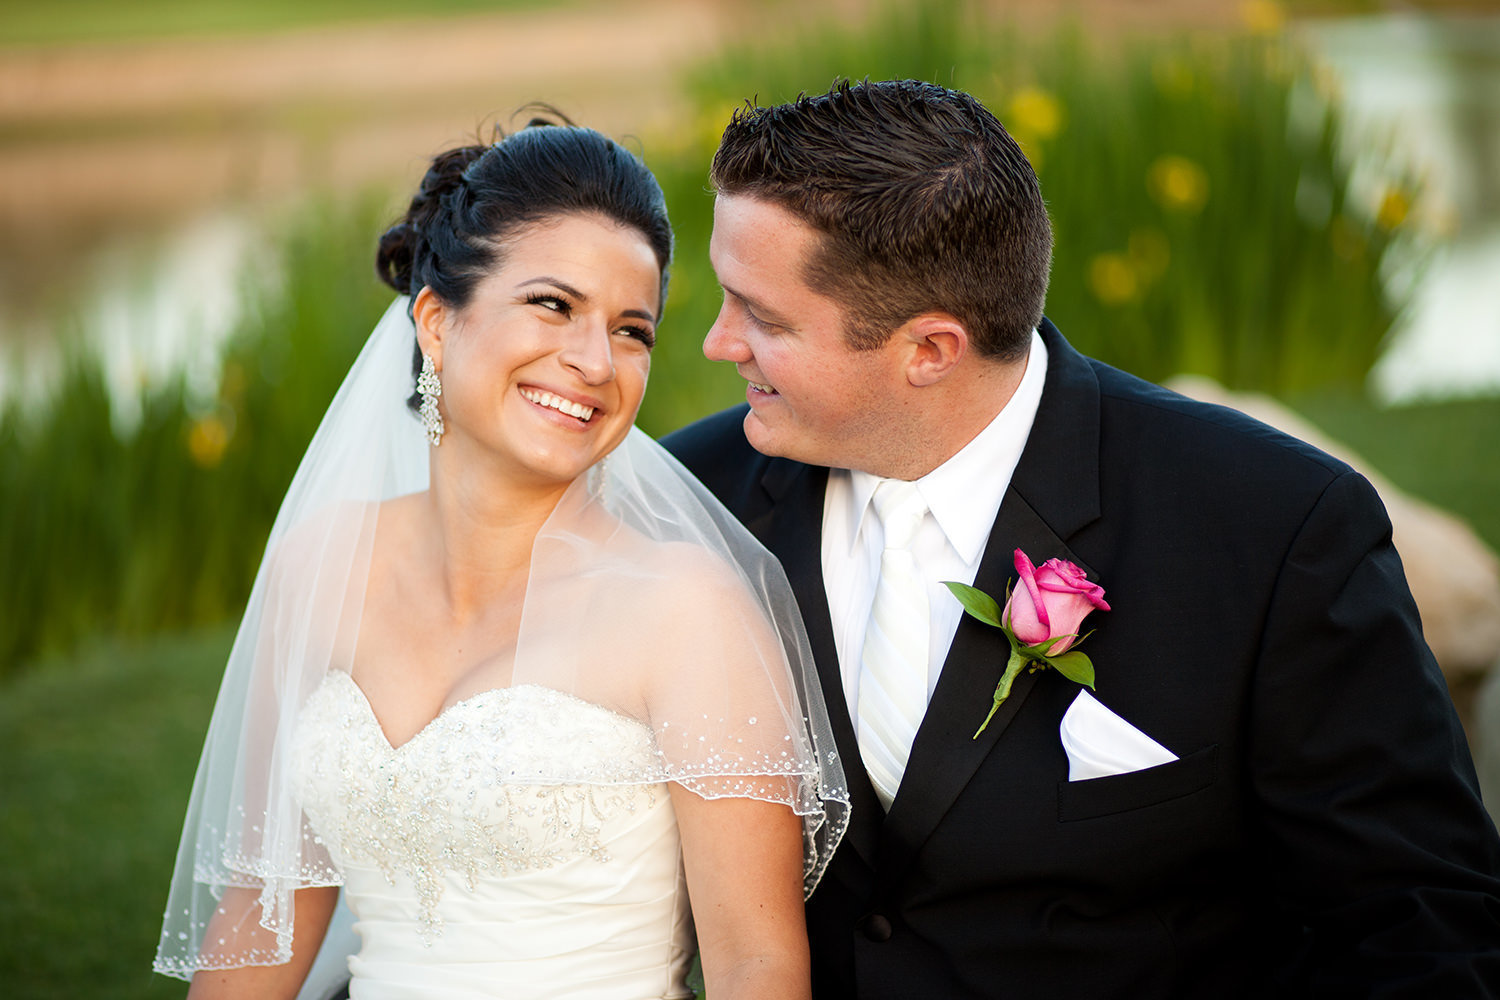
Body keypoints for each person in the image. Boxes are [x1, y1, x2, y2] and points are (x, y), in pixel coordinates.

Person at [664, 79, 1500, 998]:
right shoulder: (691, 503)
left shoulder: (1270, 528)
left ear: (930, 350)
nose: (716, 342)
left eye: (765, 318)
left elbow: (1419, 920)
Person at [153, 118, 848, 1000]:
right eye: (553, 305)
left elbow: (757, 965)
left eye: (632, 330)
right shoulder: (319, 563)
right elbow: (263, 912)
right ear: (438, 324)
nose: (594, 361)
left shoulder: (686, 608)